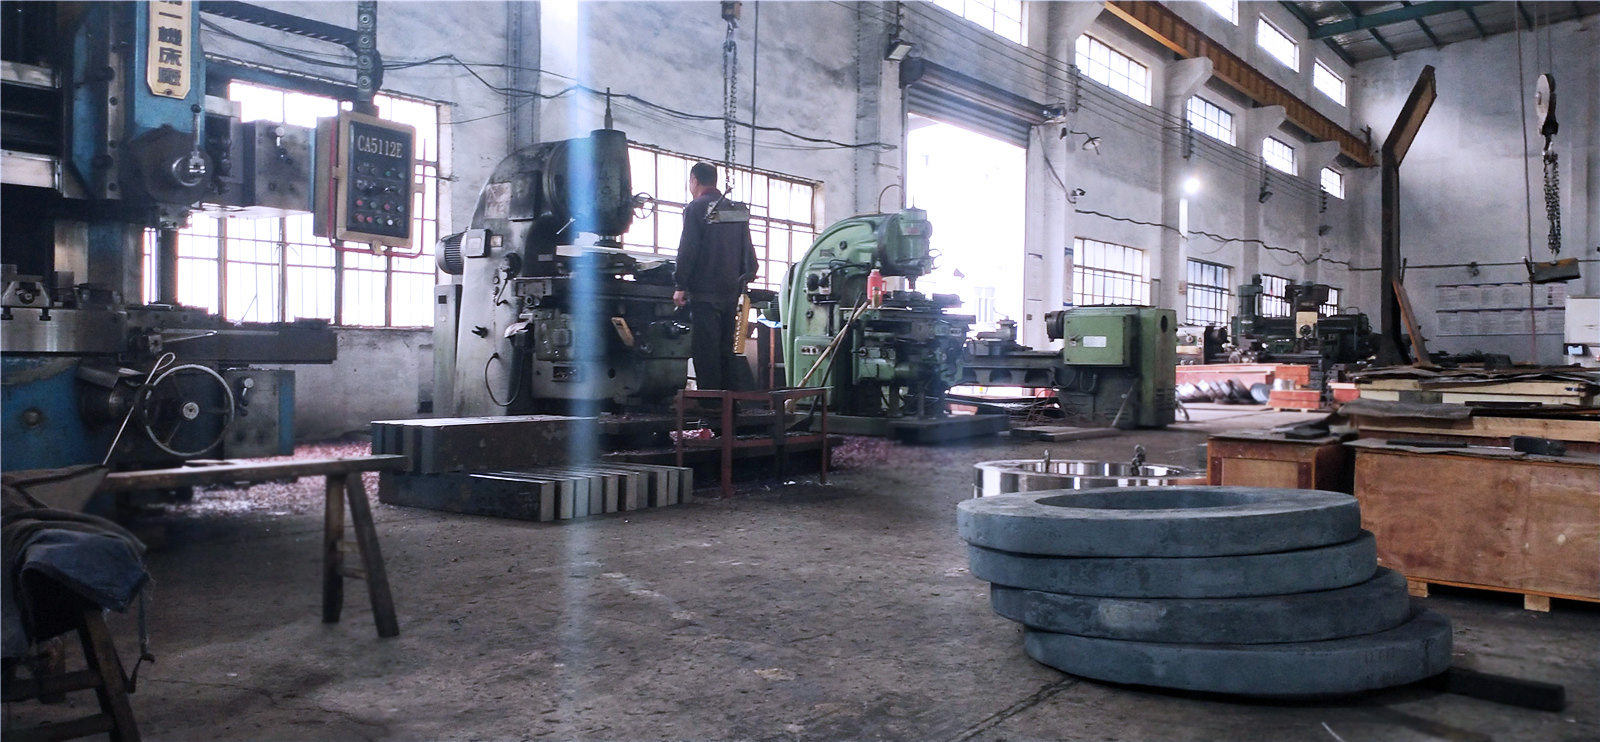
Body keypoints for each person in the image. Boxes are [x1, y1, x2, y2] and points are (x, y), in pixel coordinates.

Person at [674, 161, 757, 392]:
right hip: (731, 292)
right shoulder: (735, 210)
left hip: (704, 293)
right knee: (727, 349)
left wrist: (680, 284)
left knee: (706, 350)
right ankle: (731, 402)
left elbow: (688, 249)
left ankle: (711, 403)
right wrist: (747, 274)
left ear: (694, 181)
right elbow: (749, 252)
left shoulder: (696, 208)